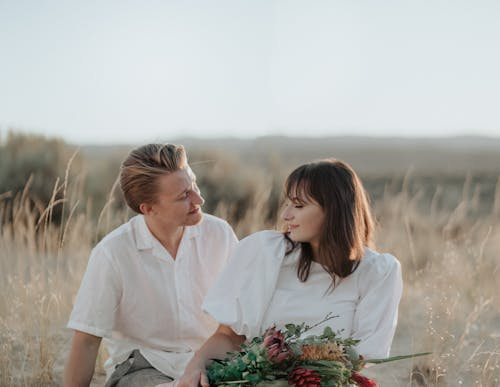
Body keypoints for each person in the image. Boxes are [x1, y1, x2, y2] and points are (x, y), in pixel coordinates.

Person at [177, 158, 403, 387]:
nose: (286, 215)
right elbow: (228, 337)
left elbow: (360, 360)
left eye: (298, 205)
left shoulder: (379, 272)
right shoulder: (265, 252)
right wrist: (197, 364)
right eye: (287, 204)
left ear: (333, 210)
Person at [63, 144, 238, 387]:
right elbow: (86, 341)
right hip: (142, 368)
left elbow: (240, 318)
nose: (199, 199)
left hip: (211, 360)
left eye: (194, 185)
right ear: (148, 208)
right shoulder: (112, 252)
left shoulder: (220, 234)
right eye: (183, 195)